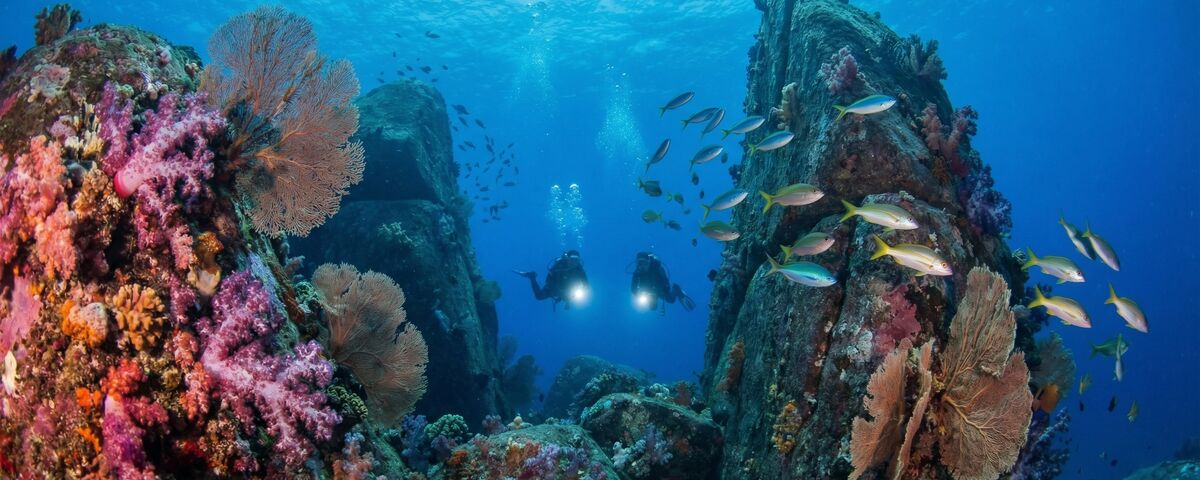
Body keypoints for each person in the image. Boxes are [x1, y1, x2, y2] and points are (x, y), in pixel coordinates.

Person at [514, 250, 590, 310]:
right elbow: (548, 280)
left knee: (568, 297)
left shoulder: (579, 269)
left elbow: (586, 284)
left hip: (567, 289)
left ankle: (565, 298)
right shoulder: (559, 265)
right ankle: (532, 276)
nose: (574, 263)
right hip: (554, 286)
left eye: (577, 260)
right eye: (572, 259)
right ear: (567, 259)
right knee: (539, 296)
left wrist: (582, 289)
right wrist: (559, 292)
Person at [630, 252, 695, 313]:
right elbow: (633, 289)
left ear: (649, 262)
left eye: (644, 263)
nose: (641, 266)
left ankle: (676, 289)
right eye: (639, 263)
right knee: (652, 307)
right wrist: (641, 293)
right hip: (648, 291)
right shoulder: (637, 273)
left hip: (659, 289)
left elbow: (666, 284)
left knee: (671, 300)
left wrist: (658, 292)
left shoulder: (657, 269)